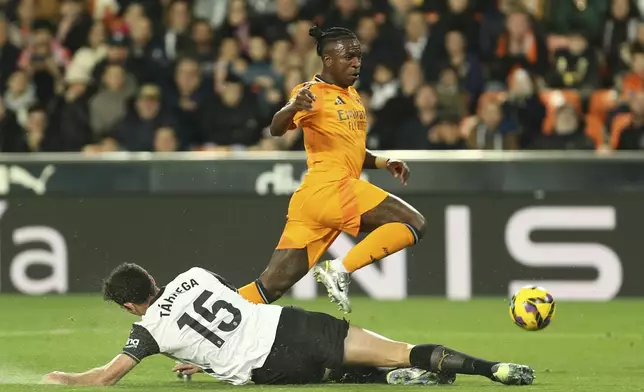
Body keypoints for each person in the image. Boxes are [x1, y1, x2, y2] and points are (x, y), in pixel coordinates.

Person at [43, 264, 535, 387]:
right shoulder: (194, 275)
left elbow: (107, 376)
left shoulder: (148, 330)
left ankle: (384, 379)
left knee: (330, 375)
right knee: (402, 348)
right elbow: (225, 305)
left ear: (130, 306)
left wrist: (63, 378)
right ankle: (495, 370)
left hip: (272, 367)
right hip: (294, 325)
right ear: (152, 277)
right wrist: (199, 355)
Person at [238, 25, 426, 313]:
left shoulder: (352, 96)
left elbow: (352, 151)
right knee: (414, 223)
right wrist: (291, 108)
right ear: (328, 60)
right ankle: (339, 269)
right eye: (349, 57)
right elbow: (276, 128)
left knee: (270, 287)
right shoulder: (310, 92)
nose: (356, 62)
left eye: (358, 56)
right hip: (332, 187)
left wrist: (382, 162)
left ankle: (201, 323)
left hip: (315, 200)